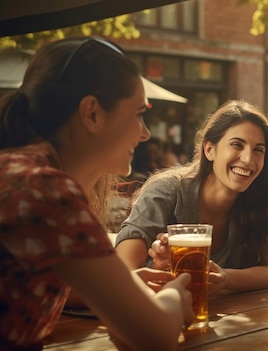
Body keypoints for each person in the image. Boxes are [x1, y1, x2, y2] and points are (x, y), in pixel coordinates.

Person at [0, 37, 193, 351]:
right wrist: (175, 294)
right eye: (137, 114)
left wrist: (126, 288)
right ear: (92, 113)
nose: (145, 133)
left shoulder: (22, 172)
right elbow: (153, 338)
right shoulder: (45, 191)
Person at [115, 99, 268, 295]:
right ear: (209, 150)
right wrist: (160, 266)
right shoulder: (166, 191)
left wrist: (223, 278)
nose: (248, 159)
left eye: (258, 150)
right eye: (237, 145)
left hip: (231, 319)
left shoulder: (257, 199)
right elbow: (123, 269)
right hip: (158, 315)